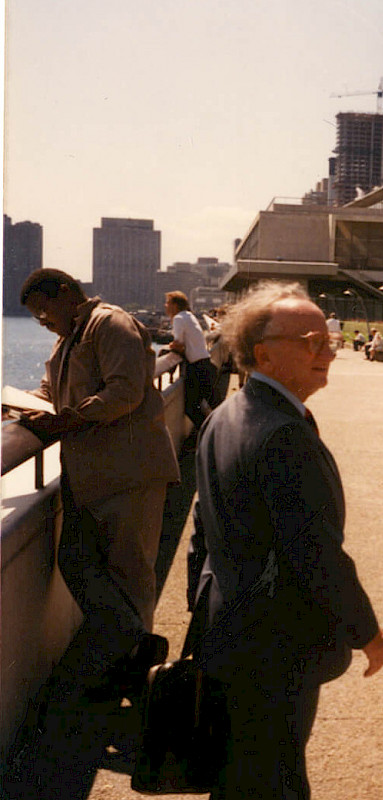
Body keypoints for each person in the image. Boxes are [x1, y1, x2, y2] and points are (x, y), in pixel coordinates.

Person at [193, 282, 383, 799]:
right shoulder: (281, 432)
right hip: (273, 646)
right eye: (310, 341)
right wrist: (366, 631)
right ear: (262, 354)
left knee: (243, 775)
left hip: (230, 631)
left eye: (329, 341)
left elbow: (202, 530)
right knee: (274, 779)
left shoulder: (224, 416)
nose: (327, 353)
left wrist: (207, 610)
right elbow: (316, 553)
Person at [14, 269, 180, 794]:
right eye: (36, 318)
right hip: (92, 479)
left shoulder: (110, 326)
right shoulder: (69, 341)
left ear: (66, 293)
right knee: (78, 564)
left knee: (130, 573)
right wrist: (26, 406)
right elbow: (54, 390)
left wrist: (66, 420)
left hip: (128, 475)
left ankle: (138, 672)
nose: (43, 323)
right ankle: (133, 648)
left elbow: (127, 392)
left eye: (45, 311)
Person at [165, 291, 217, 432]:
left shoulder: (178, 319)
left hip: (196, 368)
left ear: (175, 305)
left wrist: (171, 345)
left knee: (191, 408)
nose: (166, 306)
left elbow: (178, 344)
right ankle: (211, 434)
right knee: (205, 406)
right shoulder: (189, 316)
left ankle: (208, 436)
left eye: (168, 303)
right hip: (205, 364)